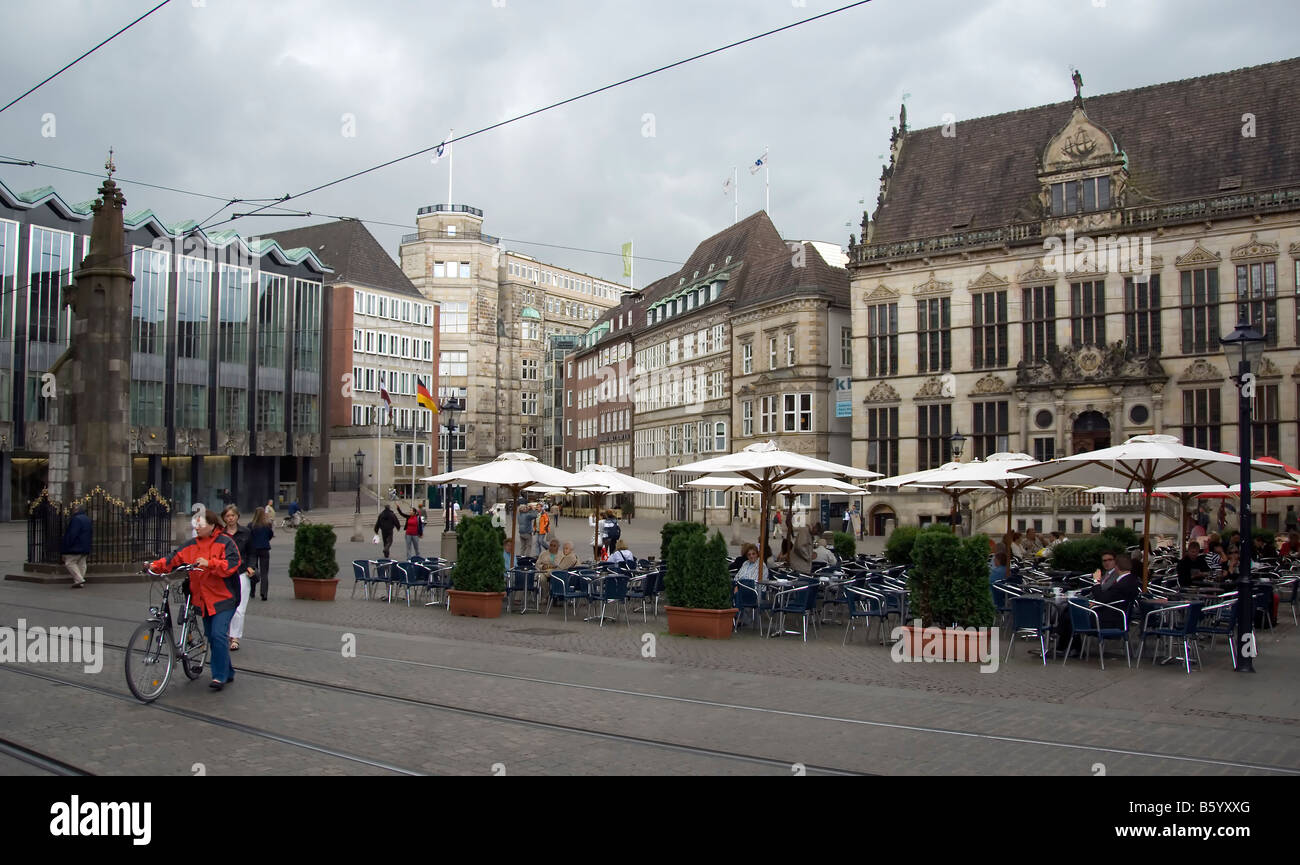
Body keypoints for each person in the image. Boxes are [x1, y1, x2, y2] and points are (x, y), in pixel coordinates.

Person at [150, 510, 242, 690]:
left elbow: (233, 563)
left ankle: (219, 676)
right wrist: (154, 565)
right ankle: (228, 671)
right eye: (195, 524)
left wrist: (210, 563)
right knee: (213, 636)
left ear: (212, 525)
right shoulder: (191, 545)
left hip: (224, 599)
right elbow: (173, 559)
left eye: (200, 524)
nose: (196, 527)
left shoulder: (225, 542)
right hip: (203, 600)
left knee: (217, 635)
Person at [221, 506, 256, 652]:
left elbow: (252, 552)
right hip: (224, 572)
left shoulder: (246, 532)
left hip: (241, 572)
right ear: (224, 518)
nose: (230, 518)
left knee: (239, 608)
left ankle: (235, 637)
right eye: (227, 516)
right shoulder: (220, 535)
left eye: (233, 515)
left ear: (237, 516)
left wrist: (251, 566)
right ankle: (225, 633)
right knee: (225, 606)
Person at [61, 504, 92, 589]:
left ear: (77, 510)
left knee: (70, 563)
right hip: (85, 545)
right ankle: (79, 580)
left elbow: (72, 534)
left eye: (75, 509)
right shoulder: (87, 519)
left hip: (76, 545)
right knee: (82, 563)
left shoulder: (76, 519)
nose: (73, 510)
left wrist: (67, 545)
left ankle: (79, 579)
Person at [249, 506, 274, 601]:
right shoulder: (267, 525)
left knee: (253, 571)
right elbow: (270, 535)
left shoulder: (251, 525)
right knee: (264, 573)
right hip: (264, 549)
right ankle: (264, 594)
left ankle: (252, 592)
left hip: (253, 550)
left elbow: (248, 537)